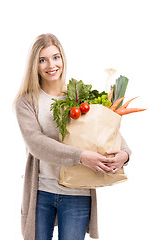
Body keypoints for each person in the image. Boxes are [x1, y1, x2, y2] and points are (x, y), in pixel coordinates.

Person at [14, 33, 131, 240]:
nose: (51, 65)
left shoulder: (79, 97)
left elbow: (105, 132)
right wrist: (81, 156)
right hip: (41, 192)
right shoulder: (27, 101)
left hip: (77, 193)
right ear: (35, 65)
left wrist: (125, 154)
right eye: (43, 60)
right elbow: (36, 143)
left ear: (63, 59)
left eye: (55, 57)